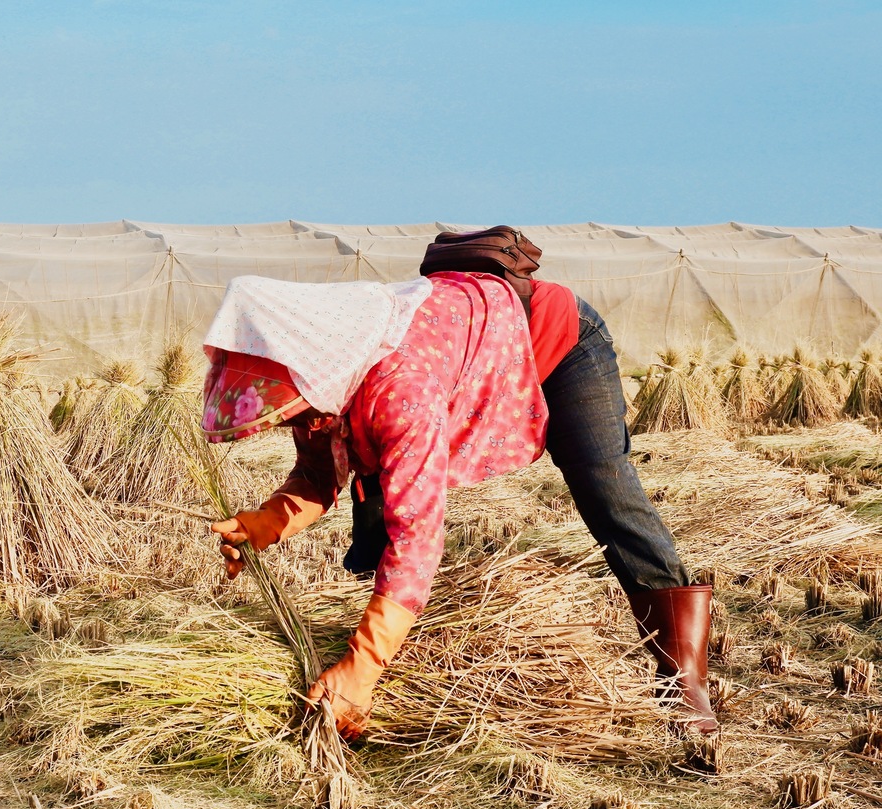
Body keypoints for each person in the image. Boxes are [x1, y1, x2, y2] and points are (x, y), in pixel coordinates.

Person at [202, 228, 719, 742]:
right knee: (373, 505)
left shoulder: (398, 387)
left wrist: (362, 665)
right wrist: (263, 523)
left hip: (556, 340)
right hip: (462, 348)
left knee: (604, 489)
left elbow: (419, 535)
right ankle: (388, 675)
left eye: (294, 412)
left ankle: (685, 682)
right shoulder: (321, 373)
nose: (301, 424)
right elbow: (317, 476)